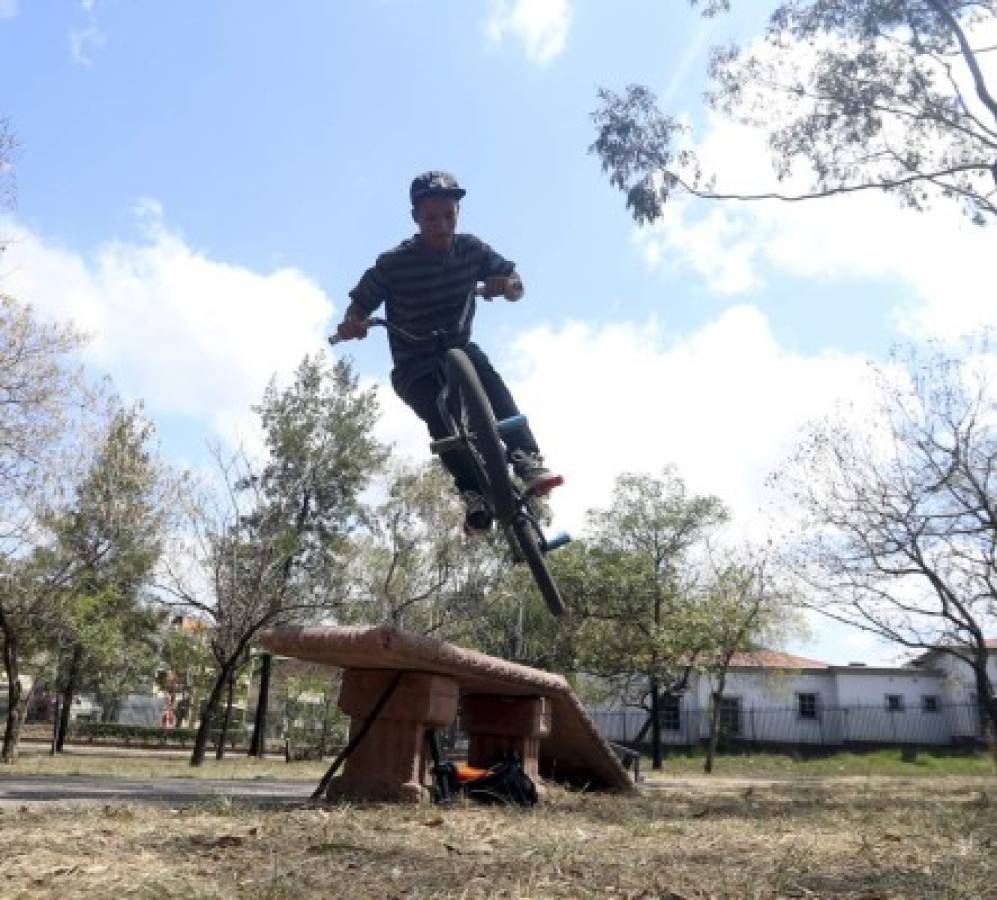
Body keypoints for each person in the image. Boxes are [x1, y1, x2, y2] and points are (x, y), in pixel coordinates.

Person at [336, 170, 563, 534]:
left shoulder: (472, 249)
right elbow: (359, 305)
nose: (441, 226)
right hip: (414, 364)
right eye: (431, 218)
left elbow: (516, 283)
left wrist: (505, 285)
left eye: (448, 216)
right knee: (441, 421)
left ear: (458, 212)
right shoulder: (394, 264)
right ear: (416, 219)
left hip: (458, 349)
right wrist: (353, 325)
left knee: (492, 384)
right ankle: (474, 495)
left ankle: (526, 459)